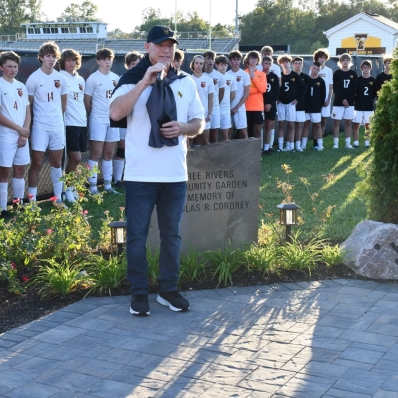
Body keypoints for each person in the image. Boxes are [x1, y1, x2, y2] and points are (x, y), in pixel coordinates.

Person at [109, 25, 204, 316]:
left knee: (171, 235)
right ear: (147, 47)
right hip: (140, 175)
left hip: (175, 174)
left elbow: (199, 123)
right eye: (160, 45)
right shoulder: (131, 79)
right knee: (136, 235)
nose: (166, 50)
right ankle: (139, 294)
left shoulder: (186, 81)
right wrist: (144, 83)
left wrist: (184, 127)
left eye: (171, 45)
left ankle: (168, 290)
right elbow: (115, 113)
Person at [26, 41, 67, 205]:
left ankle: (58, 198)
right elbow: (27, 106)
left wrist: (55, 118)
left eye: (54, 56)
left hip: (57, 126)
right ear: (41, 58)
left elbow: (63, 105)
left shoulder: (61, 78)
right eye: (48, 56)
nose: (51, 59)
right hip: (40, 127)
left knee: (57, 163)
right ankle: (32, 202)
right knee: (36, 162)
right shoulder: (33, 78)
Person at [84, 48, 120, 194]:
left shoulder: (116, 77)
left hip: (113, 121)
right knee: (95, 154)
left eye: (109, 59)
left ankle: (107, 186)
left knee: (108, 154)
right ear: (98, 61)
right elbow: (87, 101)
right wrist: (93, 115)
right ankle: (92, 187)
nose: (107, 62)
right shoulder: (93, 78)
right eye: (104, 59)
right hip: (98, 120)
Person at [0, 51, 31, 218]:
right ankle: (2, 209)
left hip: (22, 135)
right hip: (5, 135)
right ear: (1, 67)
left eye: (15, 66)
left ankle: (18, 204)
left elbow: (27, 111)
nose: (12, 70)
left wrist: (24, 132)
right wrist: (18, 130)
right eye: (9, 66)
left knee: (20, 169)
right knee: (4, 172)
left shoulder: (21, 86)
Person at [59, 49, 87, 203]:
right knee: (74, 158)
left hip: (81, 122)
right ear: (63, 62)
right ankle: (66, 190)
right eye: (68, 60)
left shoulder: (81, 79)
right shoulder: (60, 77)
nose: (71, 63)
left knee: (77, 159)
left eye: (74, 60)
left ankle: (70, 187)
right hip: (68, 124)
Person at [113, 51, 144, 190]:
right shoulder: (124, 79)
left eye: (138, 64)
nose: (135, 67)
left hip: (140, 121)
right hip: (125, 120)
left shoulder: (146, 79)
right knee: (123, 148)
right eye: (133, 64)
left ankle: (134, 177)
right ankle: (117, 179)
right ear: (127, 65)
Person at [276, 55, 307, 152]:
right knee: (281, 124)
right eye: (283, 62)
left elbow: (304, 87)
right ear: (281, 64)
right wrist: (277, 98)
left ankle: (292, 147)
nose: (285, 64)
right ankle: (280, 147)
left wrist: (297, 99)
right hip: (281, 103)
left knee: (291, 125)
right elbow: (276, 88)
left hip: (291, 104)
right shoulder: (279, 75)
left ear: (290, 63)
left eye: (287, 62)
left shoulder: (294, 75)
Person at [332, 53, 357, 149]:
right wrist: (342, 99)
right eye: (343, 60)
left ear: (349, 62)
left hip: (349, 103)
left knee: (348, 122)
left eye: (347, 60)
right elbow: (335, 88)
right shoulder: (337, 73)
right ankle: (336, 143)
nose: (345, 62)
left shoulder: (353, 73)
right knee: (336, 122)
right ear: (340, 62)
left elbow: (354, 88)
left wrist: (348, 100)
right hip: (338, 102)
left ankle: (348, 143)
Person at [190, 55, 214, 146]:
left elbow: (211, 99)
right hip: (191, 115)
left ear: (203, 65)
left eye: (201, 63)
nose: (198, 65)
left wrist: (210, 113)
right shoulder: (188, 79)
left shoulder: (209, 80)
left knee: (205, 142)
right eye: (196, 63)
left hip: (204, 115)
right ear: (193, 64)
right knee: (189, 143)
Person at [302, 62, 326, 151]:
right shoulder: (306, 79)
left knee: (318, 125)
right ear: (311, 68)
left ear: (319, 70)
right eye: (314, 68)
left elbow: (323, 95)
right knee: (306, 125)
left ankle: (320, 145)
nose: (315, 71)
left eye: (317, 69)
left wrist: (319, 105)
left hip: (316, 107)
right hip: (306, 106)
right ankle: (303, 145)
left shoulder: (321, 81)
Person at [353, 60, 377, 148]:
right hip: (358, 105)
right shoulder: (358, 80)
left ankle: (367, 142)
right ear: (361, 68)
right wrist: (357, 100)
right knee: (356, 124)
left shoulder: (373, 80)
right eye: (364, 67)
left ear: (370, 68)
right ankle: (356, 142)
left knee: (368, 125)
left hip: (369, 106)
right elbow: (354, 91)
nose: (366, 69)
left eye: (368, 67)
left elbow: (375, 93)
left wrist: (370, 99)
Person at [203, 50, 225, 143]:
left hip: (215, 108)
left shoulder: (219, 76)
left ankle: (214, 154)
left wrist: (215, 104)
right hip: (203, 107)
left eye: (212, 59)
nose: (210, 61)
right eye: (208, 59)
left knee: (214, 133)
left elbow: (221, 93)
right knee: (202, 134)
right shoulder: (200, 74)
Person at [243, 51, 266, 139]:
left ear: (258, 60)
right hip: (245, 107)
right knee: (244, 132)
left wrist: (254, 78)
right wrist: (256, 90)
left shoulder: (262, 74)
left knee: (257, 132)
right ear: (248, 60)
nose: (253, 60)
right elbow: (243, 91)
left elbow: (263, 89)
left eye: (255, 58)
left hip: (257, 107)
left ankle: (258, 150)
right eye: (251, 58)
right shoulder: (243, 73)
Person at [227, 50, 250, 139]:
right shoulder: (226, 74)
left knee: (243, 131)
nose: (236, 61)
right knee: (228, 131)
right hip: (227, 108)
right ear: (230, 61)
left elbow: (246, 93)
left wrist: (237, 107)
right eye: (234, 59)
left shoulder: (245, 75)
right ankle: (228, 152)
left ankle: (247, 151)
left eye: (238, 59)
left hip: (239, 108)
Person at [311, 48, 333, 140]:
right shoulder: (313, 69)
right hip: (315, 99)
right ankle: (314, 140)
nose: (322, 59)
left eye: (324, 57)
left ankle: (320, 139)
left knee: (323, 120)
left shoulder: (328, 70)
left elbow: (330, 85)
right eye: (320, 57)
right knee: (315, 121)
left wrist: (328, 99)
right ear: (316, 58)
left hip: (325, 99)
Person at [215, 55, 237, 141]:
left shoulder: (231, 78)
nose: (223, 67)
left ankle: (225, 152)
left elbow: (233, 94)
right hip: (214, 109)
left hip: (225, 109)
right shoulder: (212, 76)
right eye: (221, 65)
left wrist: (226, 102)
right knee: (213, 133)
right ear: (217, 65)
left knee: (225, 133)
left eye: (225, 65)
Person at [262, 55, 280, 154]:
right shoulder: (259, 75)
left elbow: (277, 92)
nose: (267, 65)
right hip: (259, 104)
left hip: (270, 105)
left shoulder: (274, 77)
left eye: (269, 64)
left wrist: (270, 104)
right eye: (266, 63)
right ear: (262, 64)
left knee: (269, 125)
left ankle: (266, 148)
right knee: (259, 126)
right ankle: (259, 147)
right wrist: (262, 104)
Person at [292, 57, 308, 151]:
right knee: (290, 125)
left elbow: (305, 91)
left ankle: (298, 145)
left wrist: (298, 99)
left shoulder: (305, 77)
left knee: (298, 125)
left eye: (299, 63)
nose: (298, 65)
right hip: (290, 104)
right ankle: (290, 145)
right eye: (296, 63)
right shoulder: (289, 75)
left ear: (302, 65)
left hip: (300, 104)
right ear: (293, 64)